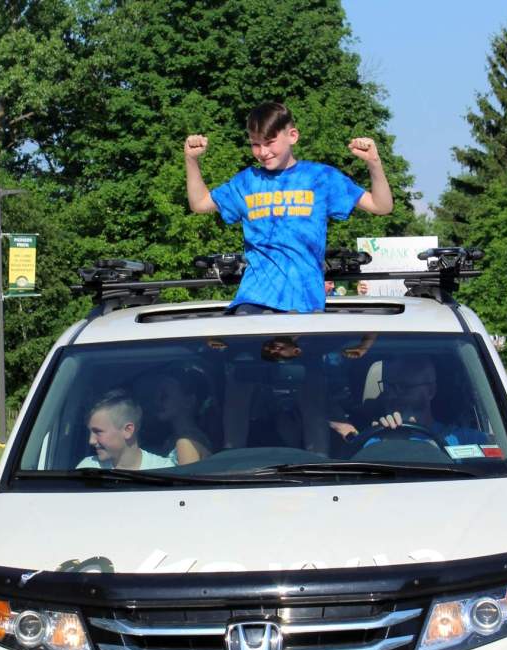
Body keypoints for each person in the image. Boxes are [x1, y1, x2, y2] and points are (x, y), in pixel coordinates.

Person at [184, 101, 393, 314]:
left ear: (293, 136)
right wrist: (191, 159)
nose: (263, 152)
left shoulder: (321, 177)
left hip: (306, 304)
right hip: (254, 301)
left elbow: (381, 206)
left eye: (269, 142)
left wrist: (374, 162)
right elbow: (199, 203)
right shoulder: (246, 182)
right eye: (255, 144)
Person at [337, 355, 490, 449]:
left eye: (403, 387)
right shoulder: (373, 441)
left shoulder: (469, 441)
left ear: (430, 391)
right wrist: (388, 444)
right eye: (389, 386)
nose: (392, 394)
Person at [77, 389, 174, 470]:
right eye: (90, 432)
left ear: (128, 431)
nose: (91, 441)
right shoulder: (88, 469)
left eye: (98, 432)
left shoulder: (164, 469)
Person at [154, 368, 215, 465]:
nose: (158, 401)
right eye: (157, 395)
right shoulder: (173, 439)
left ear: (188, 401)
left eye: (165, 395)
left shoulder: (188, 441)